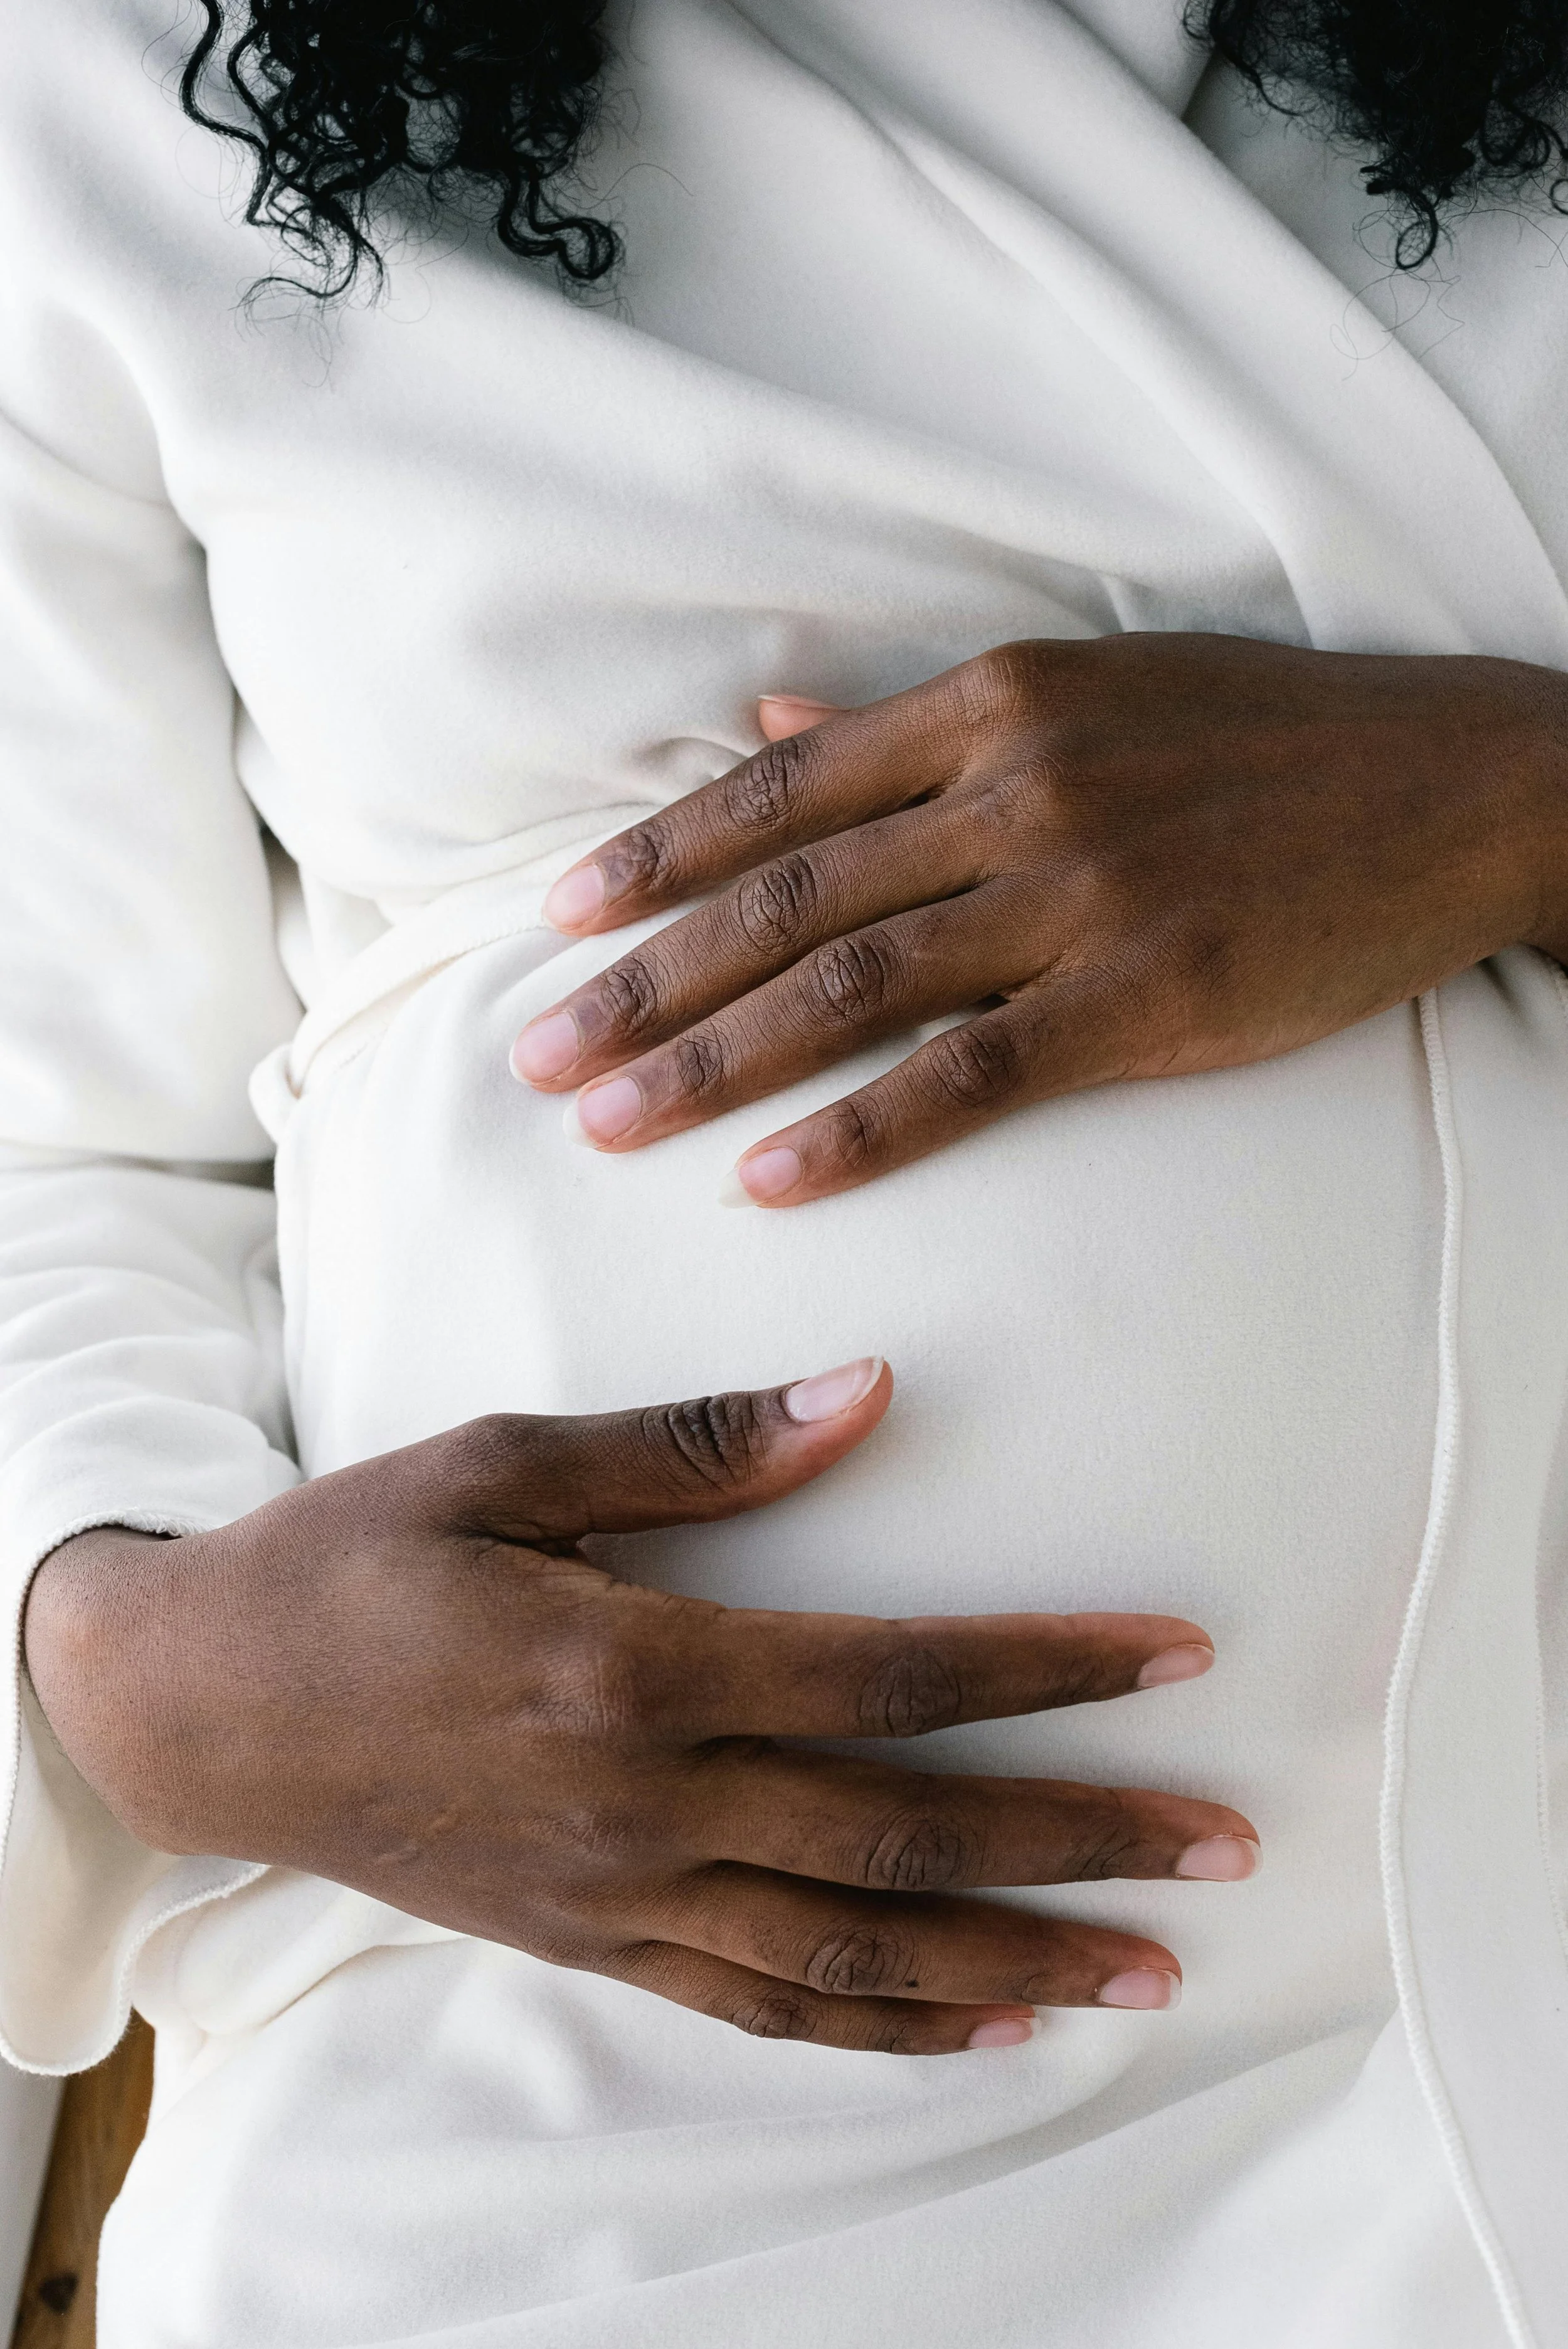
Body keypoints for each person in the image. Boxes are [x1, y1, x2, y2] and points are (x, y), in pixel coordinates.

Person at [3, 0, 1568, 2340]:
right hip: (567, 2091)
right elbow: (54, 1139)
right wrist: (124, 1670)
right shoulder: (106, 74)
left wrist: (1522, 798)